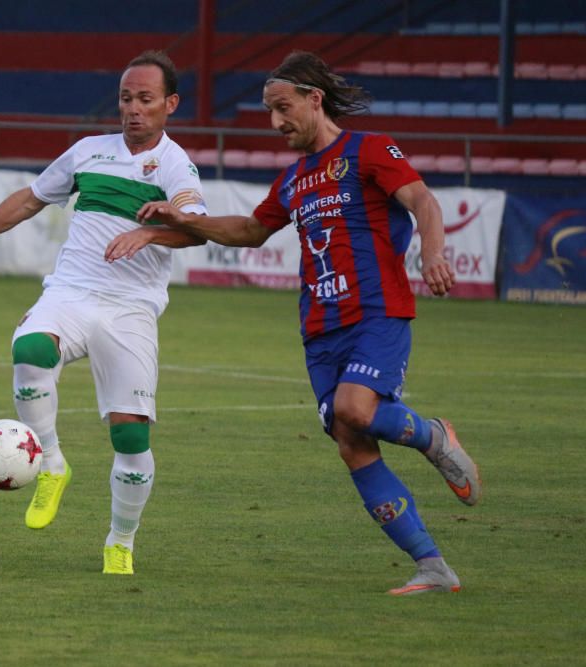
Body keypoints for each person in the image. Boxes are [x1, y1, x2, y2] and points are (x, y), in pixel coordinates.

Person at [106, 51, 482, 595]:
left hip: (376, 312)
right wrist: (185, 219)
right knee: (352, 443)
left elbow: (421, 199)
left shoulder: (369, 151)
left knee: (357, 408)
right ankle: (432, 566)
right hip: (319, 327)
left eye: (282, 108)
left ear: (314, 99)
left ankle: (432, 436)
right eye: (268, 111)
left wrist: (432, 252)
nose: (275, 122)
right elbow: (250, 231)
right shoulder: (294, 179)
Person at [0, 50, 207, 575]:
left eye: (145, 99)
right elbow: (29, 200)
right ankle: (50, 462)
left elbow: (198, 227)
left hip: (130, 310)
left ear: (170, 104)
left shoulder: (175, 164)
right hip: (71, 291)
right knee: (28, 348)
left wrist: (152, 230)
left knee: (130, 435)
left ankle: (120, 541)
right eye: (125, 98)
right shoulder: (88, 151)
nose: (133, 109)